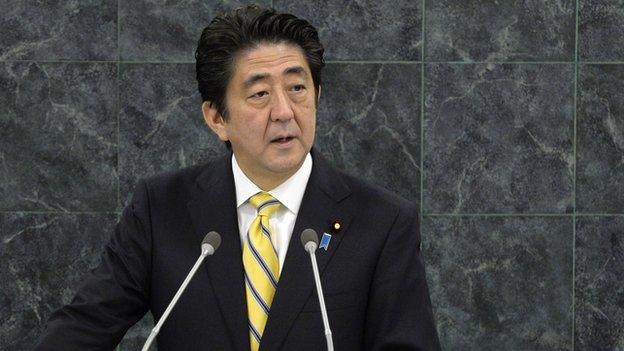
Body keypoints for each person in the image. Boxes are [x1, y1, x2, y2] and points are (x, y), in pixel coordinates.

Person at [34, 4, 440, 350]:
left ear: (316, 95)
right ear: (216, 117)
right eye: (260, 94)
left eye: (297, 87)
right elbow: (80, 330)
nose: (284, 111)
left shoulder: (383, 221)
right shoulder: (162, 209)